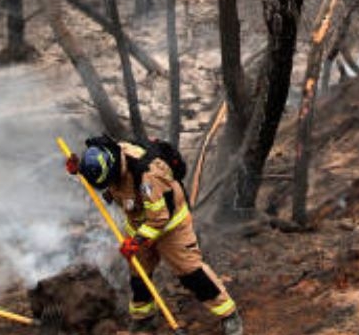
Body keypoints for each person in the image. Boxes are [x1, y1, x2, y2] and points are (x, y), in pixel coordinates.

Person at [66, 137, 243, 335]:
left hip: (170, 227)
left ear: (115, 168)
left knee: (191, 272)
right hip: (138, 224)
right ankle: (144, 318)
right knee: (139, 275)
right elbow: (102, 178)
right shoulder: (106, 157)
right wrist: (79, 171)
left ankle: (228, 314)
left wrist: (137, 241)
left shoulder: (148, 174)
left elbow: (159, 218)